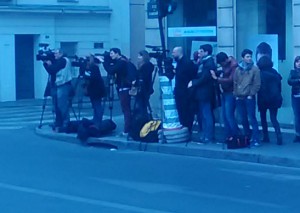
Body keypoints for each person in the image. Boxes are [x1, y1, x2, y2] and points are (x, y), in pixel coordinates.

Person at [188, 44, 216, 143]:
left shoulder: (209, 63)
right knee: (202, 114)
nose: (199, 53)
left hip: (205, 92)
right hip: (201, 93)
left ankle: (208, 135)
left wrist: (193, 83)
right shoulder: (203, 62)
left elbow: (205, 77)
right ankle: (204, 134)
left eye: (201, 51)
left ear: (206, 52)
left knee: (206, 114)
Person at [233, 49, 261, 146]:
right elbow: (235, 82)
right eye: (247, 57)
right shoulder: (238, 69)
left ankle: (256, 139)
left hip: (249, 97)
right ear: (243, 58)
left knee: (252, 118)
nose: (249, 58)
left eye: (250, 56)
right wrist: (236, 94)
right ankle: (247, 137)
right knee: (243, 119)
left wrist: (251, 94)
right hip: (239, 97)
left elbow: (257, 84)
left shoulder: (255, 69)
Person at [211, 52, 239, 141]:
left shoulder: (233, 66)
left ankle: (235, 135)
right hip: (225, 92)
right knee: (224, 115)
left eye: (221, 63)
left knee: (229, 115)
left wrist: (217, 78)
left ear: (225, 60)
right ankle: (228, 136)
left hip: (231, 92)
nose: (221, 65)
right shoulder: (226, 65)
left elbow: (231, 80)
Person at [103, 48, 131, 136]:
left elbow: (111, 70)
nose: (110, 56)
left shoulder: (121, 62)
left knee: (126, 109)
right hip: (122, 87)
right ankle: (127, 129)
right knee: (126, 109)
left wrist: (105, 62)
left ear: (117, 53)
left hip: (124, 87)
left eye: (112, 54)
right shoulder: (122, 61)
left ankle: (127, 130)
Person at [43, 49, 72, 132]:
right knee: (56, 105)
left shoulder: (63, 60)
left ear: (61, 54)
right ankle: (58, 122)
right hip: (57, 84)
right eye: (54, 53)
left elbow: (52, 70)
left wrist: (46, 64)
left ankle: (66, 123)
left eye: (56, 53)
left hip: (63, 84)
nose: (54, 55)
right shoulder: (58, 60)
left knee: (62, 105)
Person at [257, 56, 283, 145]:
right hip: (275, 98)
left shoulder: (260, 74)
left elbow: (259, 87)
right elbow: (279, 86)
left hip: (263, 98)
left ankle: (266, 137)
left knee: (263, 118)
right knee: (273, 118)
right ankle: (278, 135)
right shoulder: (275, 72)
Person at [172, 47, 197, 131]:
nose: (172, 54)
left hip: (185, 92)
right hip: (181, 90)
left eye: (174, 52)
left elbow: (188, 76)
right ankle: (184, 127)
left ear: (179, 53)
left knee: (185, 111)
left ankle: (186, 128)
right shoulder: (180, 62)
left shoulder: (186, 63)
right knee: (182, 110)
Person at [84, 54, 106, 128]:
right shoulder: (90, 68)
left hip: (96, 90)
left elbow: (94, 78)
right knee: (95, 105)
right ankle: (95, 120)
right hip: (93, 90)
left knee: (97, 105)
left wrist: (87, 77)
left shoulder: (94, 67)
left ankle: (98, 121)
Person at [134, 50, 154, 117]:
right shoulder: (145, 65)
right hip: (144, 88)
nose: (138, 57)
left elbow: (143, 77)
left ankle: (142, 120)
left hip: (144, 88)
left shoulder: (146, 65)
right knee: (142, 105)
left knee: (141, 105)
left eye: (140, 56)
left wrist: (136, 81)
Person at [288, 56, 300, 143]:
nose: (299, 63)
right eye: (297, 61)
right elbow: (289, 81)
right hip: (295, 96)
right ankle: (297, 135)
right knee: (297, 116)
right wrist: (298, 80)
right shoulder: (292, 72)